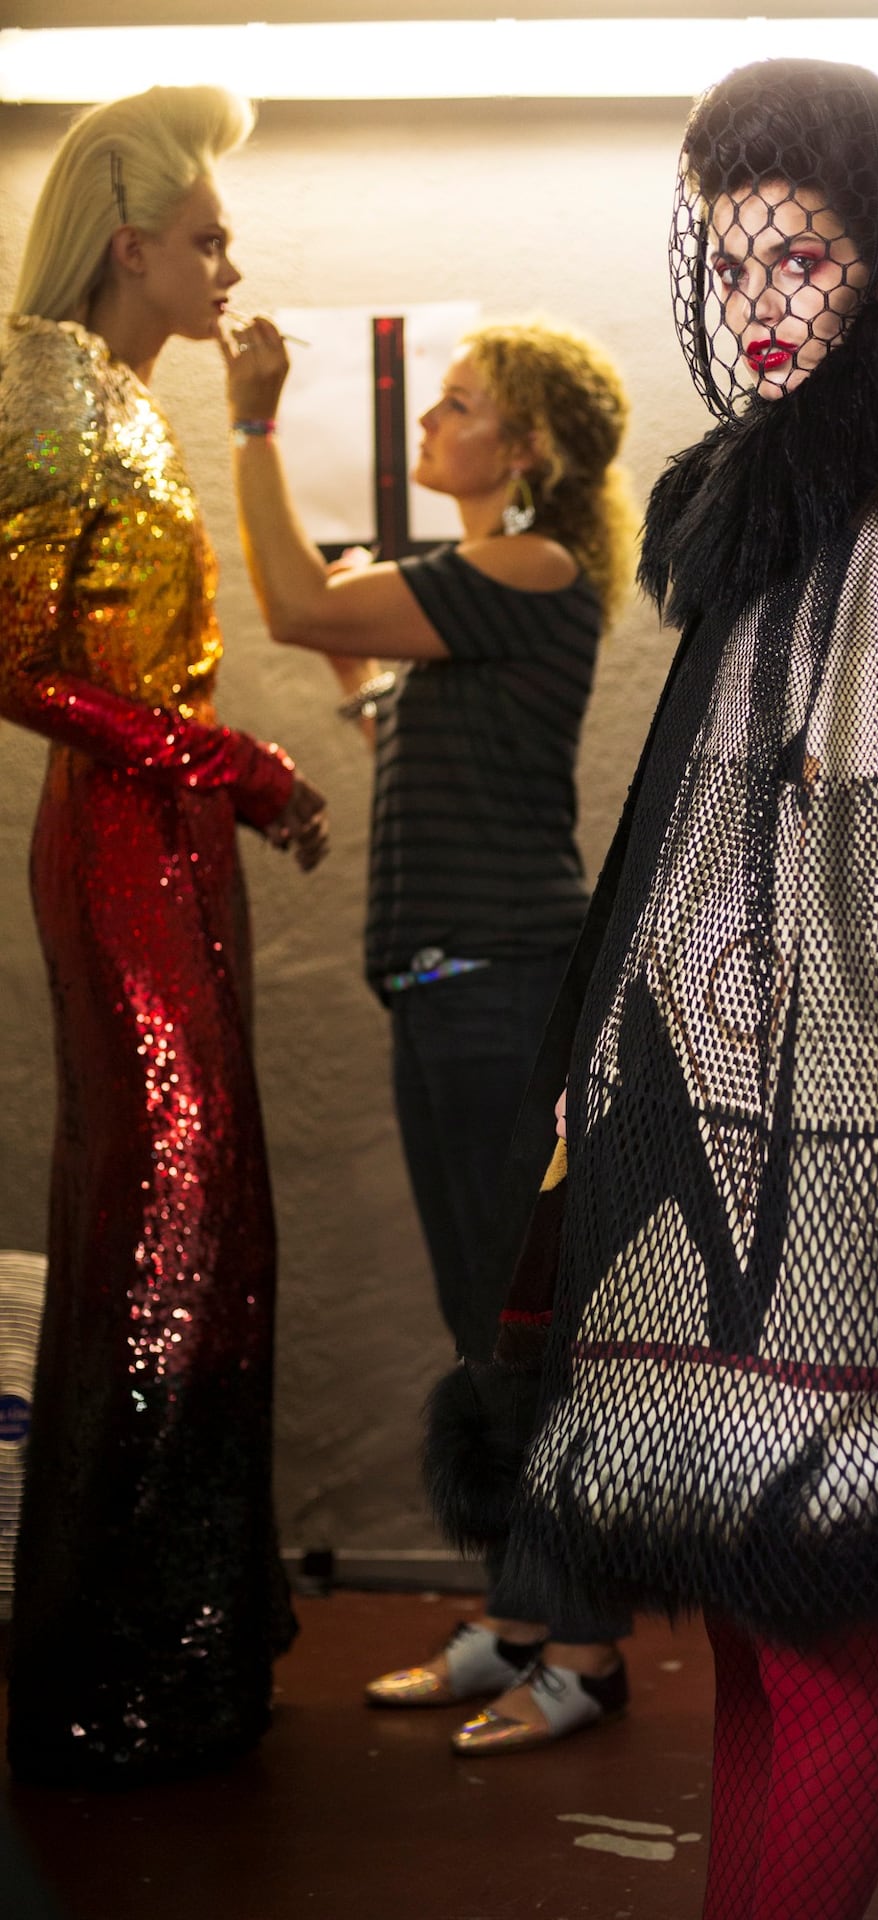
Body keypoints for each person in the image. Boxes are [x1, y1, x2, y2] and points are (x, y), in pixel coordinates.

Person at [427, 54, 878, 1917]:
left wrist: (718, 1081)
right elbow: (721, 850)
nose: (758, 303)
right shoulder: (807, 497)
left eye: (800, 257)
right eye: (730, 261)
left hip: (827, 1165)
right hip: (709, 1134)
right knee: (763, 1651)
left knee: (827, 1645)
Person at [218, 315, 636, 1740]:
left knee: (522, 1325)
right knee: (485, 1321)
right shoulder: (482, 595)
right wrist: (366, 689)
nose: (429, 424)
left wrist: (255, 422)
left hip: (501, 986)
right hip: (453, 991)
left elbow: (292, 604)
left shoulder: (533, 565)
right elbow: (412, 742)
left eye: (459, 405)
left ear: (530, 447)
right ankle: (520, 1620)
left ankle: (585, 1650)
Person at [0, 86, 328, 1789]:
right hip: (127, 851)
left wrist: (224, 784)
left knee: (206, 1225)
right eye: (207, 238)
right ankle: (119, 1671)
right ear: (129, 245)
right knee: (171, 1238)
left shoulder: (118, 395)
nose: (228, 265)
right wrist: (232, 763)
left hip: (165, 842)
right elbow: (14, 660)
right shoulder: (52, 384)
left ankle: (172, 1644)